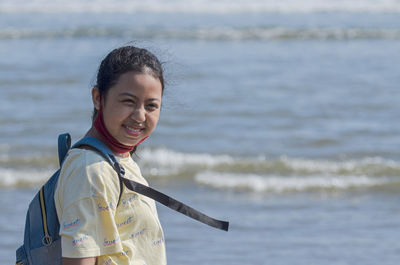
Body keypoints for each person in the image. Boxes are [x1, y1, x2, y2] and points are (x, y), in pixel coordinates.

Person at [54, 46, 167, 265]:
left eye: (151, 106)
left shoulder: (117, 159)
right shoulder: (91, 171)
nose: (140, 116)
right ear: (98, 98)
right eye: (128, 101)